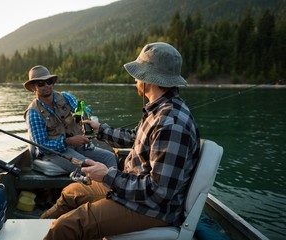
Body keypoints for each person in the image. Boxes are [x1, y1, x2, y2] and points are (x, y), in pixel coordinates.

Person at [41, 42, 201, 240]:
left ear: (147, 79)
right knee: (71, 193)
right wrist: (101, 130)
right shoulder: (159, 109)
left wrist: (108, 175)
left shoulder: (171, 123)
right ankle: (39, 228)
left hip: (151, 208)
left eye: (137, 74)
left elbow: (159, 192)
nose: (135, 79)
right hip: (134, 192)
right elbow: (136, 138)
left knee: (69, 225)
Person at [23, 65, 117, 176]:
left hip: (77, 146)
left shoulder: (65, 97)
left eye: (49, 81)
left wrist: (81, 115)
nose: (47, 85)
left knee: (110, 157)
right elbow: (42, 147)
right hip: (54, 153)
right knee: (88, 166)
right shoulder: (33, 113)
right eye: (41, 83)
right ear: (33, 87)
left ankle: (115, 189)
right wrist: (68, 141)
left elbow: (85, 110)